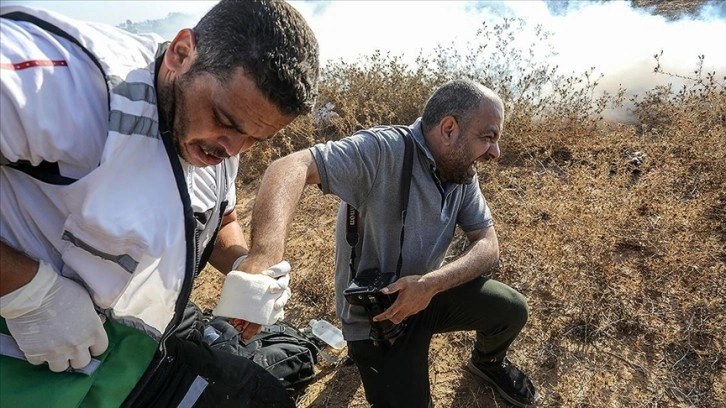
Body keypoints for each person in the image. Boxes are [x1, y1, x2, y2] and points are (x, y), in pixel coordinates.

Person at [0, 0, 318, 407]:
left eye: (257, 139)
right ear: (181, 53)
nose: (233, 149)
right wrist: (26, 290)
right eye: (225, 120)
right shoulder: (61, 82)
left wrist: (244, 269)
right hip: (27, 361)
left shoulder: (226, 128)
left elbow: (218, 215)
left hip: (135, 345)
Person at [240, 79, 541, 407]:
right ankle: (365, 356)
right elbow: (290, 167)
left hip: (427, 293)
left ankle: (487, 363)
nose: (495, 153)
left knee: (511, 310)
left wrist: (430, 284)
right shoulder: (382, 150)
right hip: (375, 318)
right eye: (488, 137)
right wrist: (263, 258)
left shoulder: (461, 170)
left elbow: (487, 243)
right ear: (449, 129)